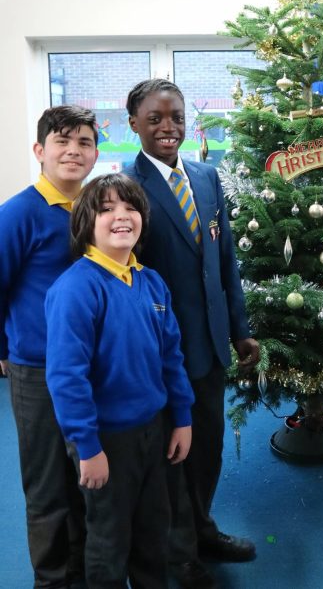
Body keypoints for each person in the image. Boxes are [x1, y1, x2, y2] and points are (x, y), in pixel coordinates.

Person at [124, 79, 260, 589]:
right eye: (155, 118)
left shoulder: (206, 177)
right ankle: (178, 555)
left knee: (207, 448)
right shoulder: (127, 189)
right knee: (171, 456)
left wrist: (240, 330)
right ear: (133, 124)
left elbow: (225, 262)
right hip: (161, 352)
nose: (168, 127)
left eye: (176, 117)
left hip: (210, 345)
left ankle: (202, 529)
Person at [45, 173, 195, 588]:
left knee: (153, 533)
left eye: (131, 207)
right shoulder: (75, 289)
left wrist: (182, 418)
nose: (122, 216)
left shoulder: (152, 281)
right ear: (85, 224)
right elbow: (66, 377)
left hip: (154, 429)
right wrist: (88, 447)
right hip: (105, 439)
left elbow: (172, 358)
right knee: (109, 540)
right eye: (107, 209)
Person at [0, 105, 99, 588]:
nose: (73, 151)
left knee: (87, 477)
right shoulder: (18, 214)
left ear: (95, 154)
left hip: (90, 367)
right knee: (46, 487)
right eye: (62, 141)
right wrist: (5, 348)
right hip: (37, 369)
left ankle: (82, 570)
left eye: (84, 143)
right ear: (40, 150)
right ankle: (53, 579)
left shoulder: (96, 210)